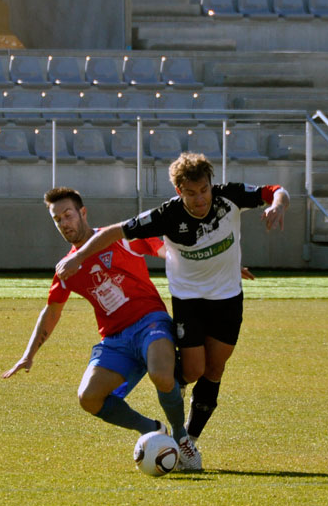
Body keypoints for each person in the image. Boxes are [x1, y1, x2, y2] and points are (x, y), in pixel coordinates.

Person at [55, 153, 290, 460]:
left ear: (210, 184)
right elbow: (114, 231)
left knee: (214, 369)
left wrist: (277, 205)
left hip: (228, 298)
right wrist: (78, 257)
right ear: (179, 191)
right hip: (189, 299)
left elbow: (275, 190)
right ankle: (160, 365)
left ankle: (187, 440)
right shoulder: (167, 214)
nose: (200, 198)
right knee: (192, 369)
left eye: (204, 190)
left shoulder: (229, 196)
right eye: (190, 193)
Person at [2, 186, 202, 471]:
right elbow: (52, 310)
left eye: (68, 215)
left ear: (83, 212)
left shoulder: (118, 237)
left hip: (151, 321)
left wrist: (216, 266)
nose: (64, 223)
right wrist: (29, 353)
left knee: (161, 374)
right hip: (115, 340)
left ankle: (182, 438)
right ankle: (154, 429)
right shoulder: (67, 268)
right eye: (57, 220)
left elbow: (166, 250)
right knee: (88, 398)